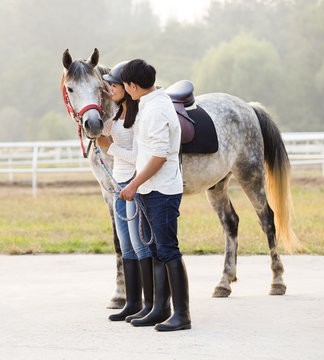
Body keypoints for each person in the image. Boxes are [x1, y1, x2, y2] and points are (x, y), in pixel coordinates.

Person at [119, 59, 191, 331]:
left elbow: (160, 156)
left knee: (168, 250)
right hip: (151, 189)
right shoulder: (149, 105)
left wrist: (133, 184)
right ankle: (161, 309)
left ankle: (182, 314)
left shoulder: (157, 110)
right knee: (155, 250)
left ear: (133, 86)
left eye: (126, 86)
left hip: (161, 190)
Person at [96, 61, 154, 322]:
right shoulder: (118, 115)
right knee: (127, 246)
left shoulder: (139, 117)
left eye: (113, 85)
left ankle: (149, 303)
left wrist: (110, 148)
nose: (109, 88)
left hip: (132, 184)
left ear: (127, 88)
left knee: (140, 246)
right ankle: (132, 302)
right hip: (118, 185)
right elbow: (98, 131)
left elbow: (138, 157)